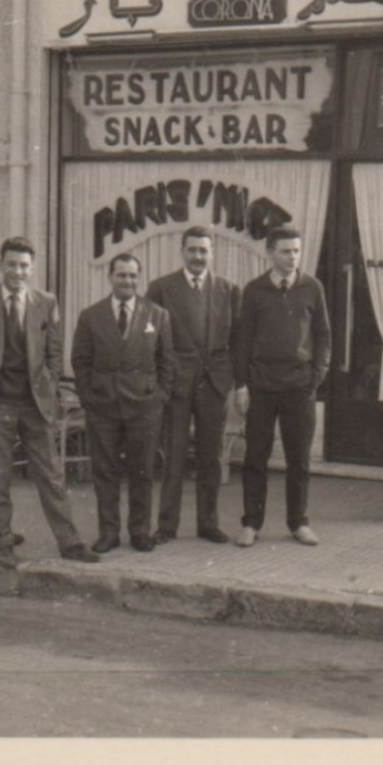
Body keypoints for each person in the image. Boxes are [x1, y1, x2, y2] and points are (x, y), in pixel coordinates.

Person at [0, 237, 95, 566]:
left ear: (33, 268)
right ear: (0, 265)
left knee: (51, 475)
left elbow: (54, 351)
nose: (18, 271)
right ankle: (3, 544)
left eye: (24, 266)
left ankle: (70, 543)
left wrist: (51, 381)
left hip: (34, 403)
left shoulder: (45, 302)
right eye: (12, 264)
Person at [232, 225, 332, 548]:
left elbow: (323, 336)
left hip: (299, 388)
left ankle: (298, 522)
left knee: (298, 459)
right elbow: (243, 340)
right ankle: (251, 523)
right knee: (255, 458)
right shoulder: (254, 291)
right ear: (270, 253)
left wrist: (315, 376)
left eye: (297, 251)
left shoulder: (312, 287)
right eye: (286, 251)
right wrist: (242, 385)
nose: (293, 257)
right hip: (261, 387)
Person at [72, 253, 175, 554]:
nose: (127, 281)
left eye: (132, 276)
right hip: (103, 406)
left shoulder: (157, 315)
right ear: (110, 277)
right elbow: (80, 361)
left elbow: (167, 361)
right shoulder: (91, 316)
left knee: (142, 470)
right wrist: (89, 398)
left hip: (144, 406)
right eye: (121, 275)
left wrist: (160, 397)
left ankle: (140, 531)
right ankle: (109, 533)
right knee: (105, 471)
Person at [145, 226, 239, 546]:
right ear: (182, 252)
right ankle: (167, 526)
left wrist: (231, 380)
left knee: (210, 457)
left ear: (213, 253)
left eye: (204, 250)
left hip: (214, 384)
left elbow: (237, 340)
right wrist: (161, 381)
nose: (198, 256)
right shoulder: (160, 288)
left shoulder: (228, 290)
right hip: (177, 385)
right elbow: (151, 340)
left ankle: (208, 523)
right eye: (192, 250)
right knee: (173, 455)